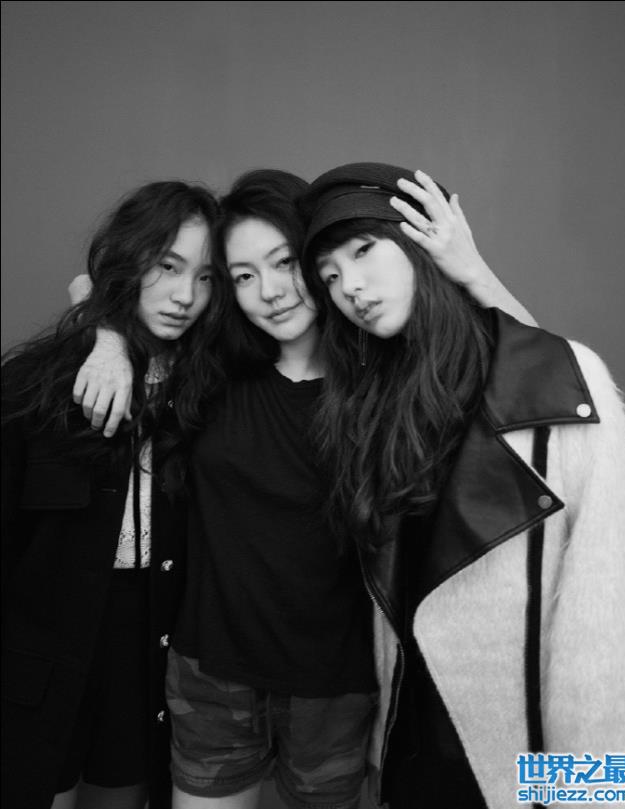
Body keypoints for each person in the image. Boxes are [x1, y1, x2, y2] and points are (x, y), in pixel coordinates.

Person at [68, 167, 537, 809]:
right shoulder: (210, 366)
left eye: (284, 262)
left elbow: (541, 378)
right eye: (242, 276)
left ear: (316, 257)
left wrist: (470, 270)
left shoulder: (388, 381)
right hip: (210, 676)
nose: (269, 292)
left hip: (337, 689)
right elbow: (103, 285)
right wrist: (107, 341)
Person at [298, 162, 625, 809]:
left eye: (364, 251)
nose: (351, 287)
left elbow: (608, 626)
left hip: (521, 771)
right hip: (409, 757)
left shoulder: (561, 385)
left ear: (420, 244)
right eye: (331, 277)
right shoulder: (372, 406)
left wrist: (592, 794)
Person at [1, 181, 223, 809]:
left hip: (147, 643)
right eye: (168, 266)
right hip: (39, 651)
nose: (185, 296)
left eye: (206, 278)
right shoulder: (36, 385)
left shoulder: (210, 392)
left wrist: (110, 334)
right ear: (130, 258)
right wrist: (106, 336)